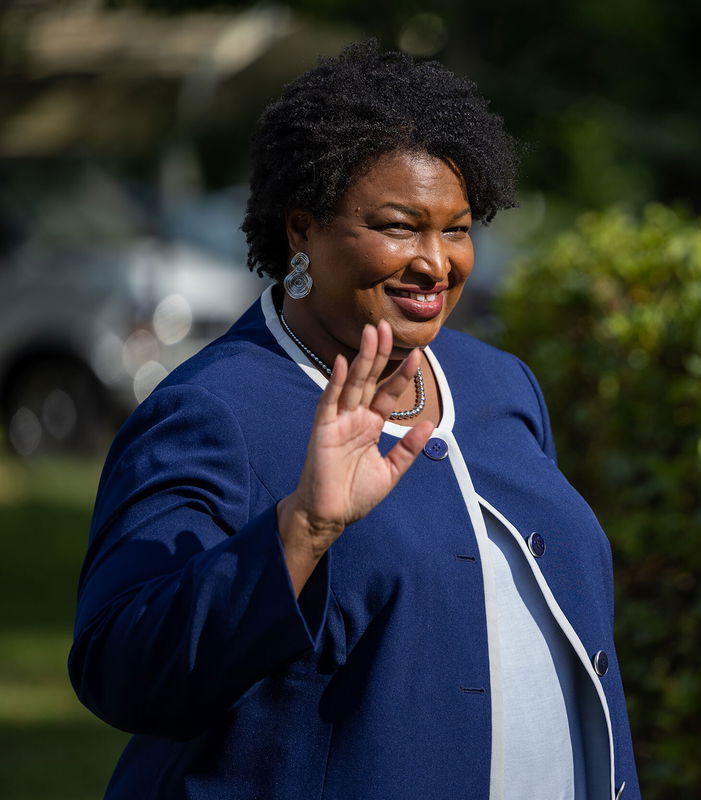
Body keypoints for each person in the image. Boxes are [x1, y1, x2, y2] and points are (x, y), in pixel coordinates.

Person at [69, 41, 639, 800]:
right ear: (301, 229)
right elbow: (123, 672)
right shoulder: (212, 413)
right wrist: (302, 529)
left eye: (459, 228)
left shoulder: (501, 385)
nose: (436, 263)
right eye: (401, 226)